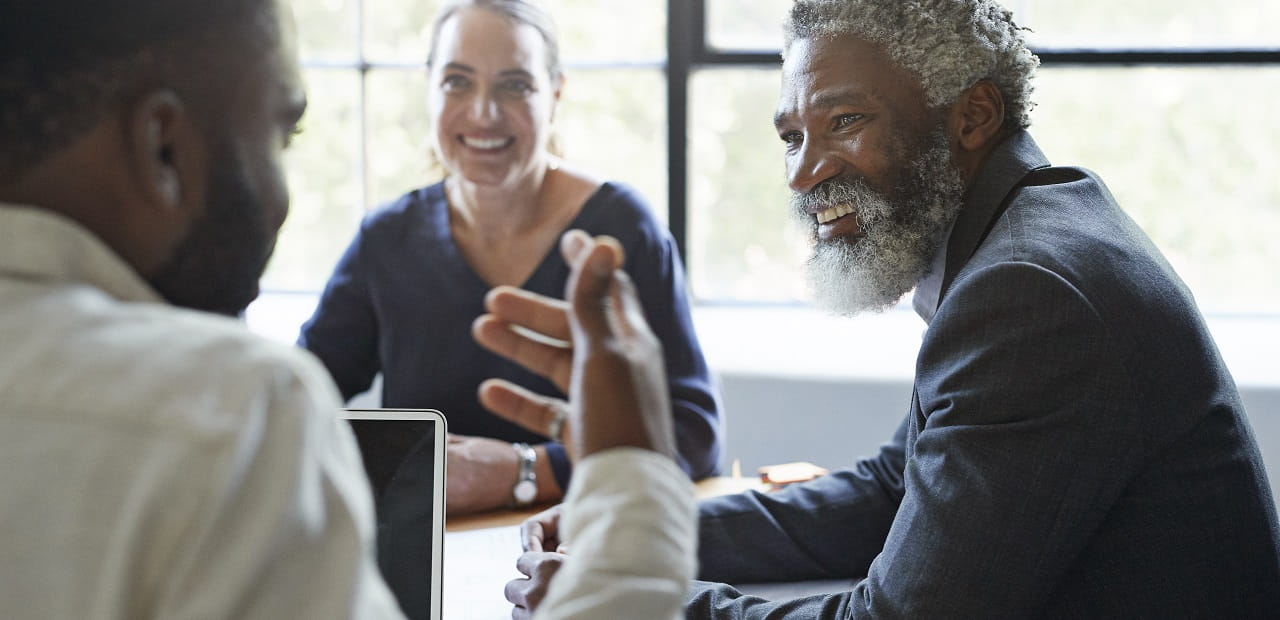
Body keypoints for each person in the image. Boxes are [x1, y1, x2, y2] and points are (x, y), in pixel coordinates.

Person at [484, 0, 1280, 617]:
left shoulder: (1031, 291)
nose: (801, 175)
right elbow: (889, 493)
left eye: (845, 121)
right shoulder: (1018, 238)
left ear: (972, 117)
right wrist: (631, 534)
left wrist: (631, 602)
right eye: (792, 135)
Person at [0, 0, 404, 616]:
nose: (283, 199)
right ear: (164, 149)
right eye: (281, 134)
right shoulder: (237, 413)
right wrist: (609, 482)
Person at [297, 0, 723, 516]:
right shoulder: (386, 241)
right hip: (433, 559)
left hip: (574, 550)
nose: (483, 113)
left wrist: (526, 472)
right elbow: (295, 401)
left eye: (515, 85)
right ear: (429, 86)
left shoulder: (621, 230)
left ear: (555, 94)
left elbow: (694, 437)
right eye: (458, 81)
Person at [475, 230, 698, 619]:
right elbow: (838, 505)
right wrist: (611, 520)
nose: (798, 177)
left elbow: (695, 434)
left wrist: (607, 578)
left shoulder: (634, 228)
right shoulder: (384, 234)